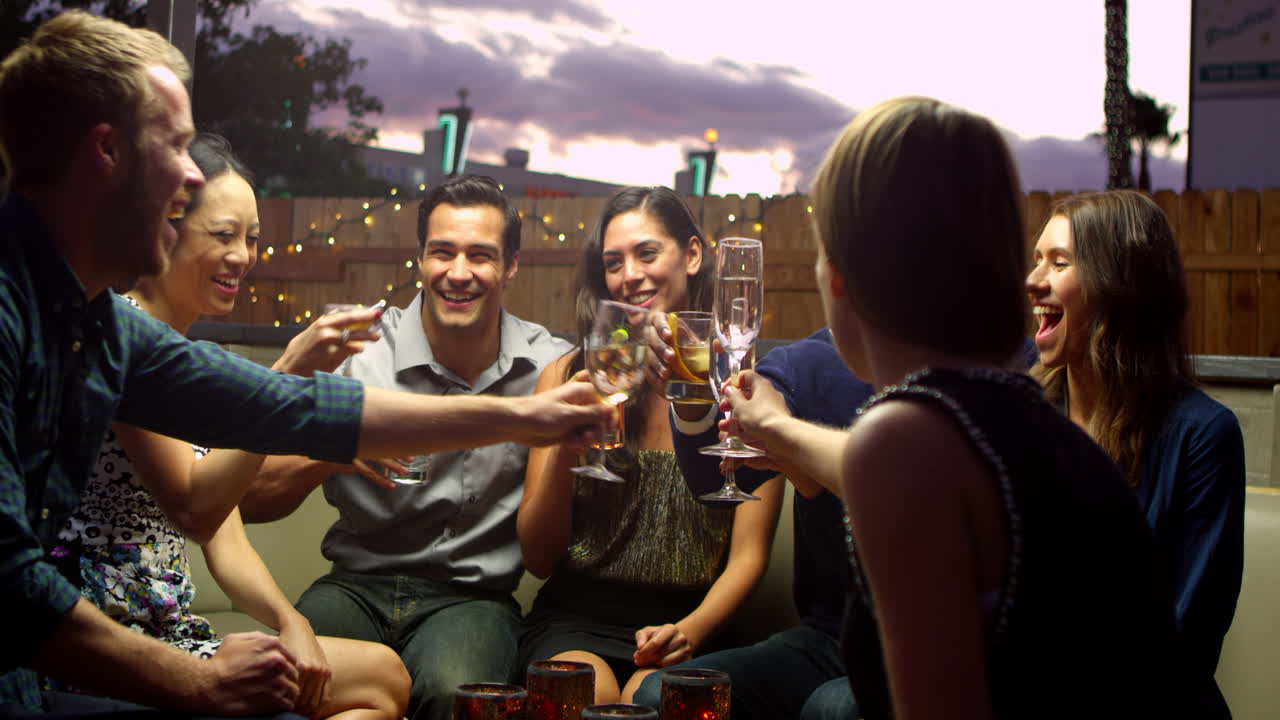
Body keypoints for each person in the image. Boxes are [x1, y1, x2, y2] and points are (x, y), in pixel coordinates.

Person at [0, 12, 610, 716]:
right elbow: (11, 584)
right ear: (106, 152)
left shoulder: (95, 320)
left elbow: (293, 409)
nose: (193, 172)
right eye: (173, 144)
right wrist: (197, 682)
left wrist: (527, 416)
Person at [718, 96, 1207, 718]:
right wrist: (780, 430)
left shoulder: (903, 442)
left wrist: (779, 431)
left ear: (840, 277)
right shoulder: (1024, 423)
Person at [46, 133, 410, 720]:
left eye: (252, 238)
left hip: (168, 622)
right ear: (166, 228)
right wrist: (288, 372)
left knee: (384, 678)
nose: (243, 255)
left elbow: (222, 533)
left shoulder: (185, 353)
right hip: (110, 636)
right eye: (223, 235)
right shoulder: (125, 336)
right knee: (372, 686)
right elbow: (193, 503)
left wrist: (293, 623)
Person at [239, 174, 572, 720]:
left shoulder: (549, 368)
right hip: (354, 585)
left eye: (480, 256)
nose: (458, 273)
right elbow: (251, 498)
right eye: (442, 252)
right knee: (286, 685)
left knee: (454, 692)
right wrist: (338, 444)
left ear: (511, 266)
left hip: (473, 599)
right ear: (420, 258)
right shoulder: (359, 355)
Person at [516, 186, 783, 704]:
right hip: (577, 619)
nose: (628, 275)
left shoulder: (746, 385)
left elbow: (750, 555)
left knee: (652, 699)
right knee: (581, 692)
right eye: (613, 263)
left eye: (646, 253)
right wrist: (569, 450)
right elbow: (538, 556)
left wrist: (692, 630)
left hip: (691, 623)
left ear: (692, 255)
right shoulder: (568, 375)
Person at [1026, 189, 1244, 718]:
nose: (1034, 280)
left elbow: (1184, 645)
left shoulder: (1203, 436)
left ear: (1119, 287)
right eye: (1037, 261)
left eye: (1060, 262)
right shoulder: (1024, 414)